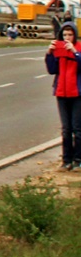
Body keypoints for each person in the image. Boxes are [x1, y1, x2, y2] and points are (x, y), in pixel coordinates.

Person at [45, 21, 81, 172]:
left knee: (77, 128)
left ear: (75, 35)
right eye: (64, 35)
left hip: (77, 93)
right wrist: (49, 54)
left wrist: (75, 52)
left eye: (70, 34)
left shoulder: (78, 48)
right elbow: (52, 70)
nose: (67, 37)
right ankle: (66, 160)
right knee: (66, 129)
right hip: (62, 92)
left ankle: (78, 160)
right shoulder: (59, 50)